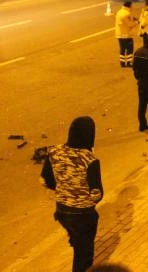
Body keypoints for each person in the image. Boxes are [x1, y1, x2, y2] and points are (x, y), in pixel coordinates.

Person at [41, 116, 103, 272]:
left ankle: (75, 241)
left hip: (62, 211)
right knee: (84, 255)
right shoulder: (89, 159)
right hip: (83, 215)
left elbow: (46, 180)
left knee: (77, 242)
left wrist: (65, 189)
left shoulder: (54, 151)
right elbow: (97, 193)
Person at [114, 1, 138, 67]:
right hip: (126, 34)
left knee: (122, 48)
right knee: (129, 48)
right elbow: (129, 24)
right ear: (129, 6)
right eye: (132, 5)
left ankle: (122, 62)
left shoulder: (119, 12)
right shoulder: (127, 13)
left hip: (119, 34)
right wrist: (136, 22)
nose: (132, 7)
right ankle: (129, 62)